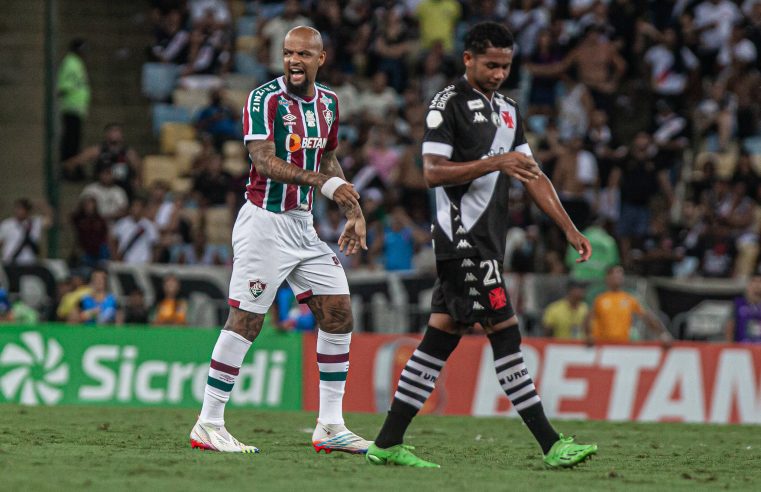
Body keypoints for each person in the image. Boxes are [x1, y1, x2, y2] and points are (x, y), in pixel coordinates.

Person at [365, 22, 597, 469]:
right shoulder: (446, 104)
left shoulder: (509, 109)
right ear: (468, 58)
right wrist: (497, 161)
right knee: (505, 331)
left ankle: (387, 441)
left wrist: (568, 228)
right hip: (463, 241)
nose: (499, 73)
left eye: (506, 66)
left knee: (440, 338)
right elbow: (432, 171)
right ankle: (551, 444)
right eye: (491, 64)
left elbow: (532, 173)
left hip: (487, 243)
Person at [189, 26, 370, 455]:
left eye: (303, 54)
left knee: (339, 312)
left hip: (303, 227)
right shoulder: (264, 99)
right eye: (288, 53)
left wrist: (354, 211)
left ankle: (330, 425)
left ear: (320, 59)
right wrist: (327, 187)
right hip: (263, 224)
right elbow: (264, 161)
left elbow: (327, 156)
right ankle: (208, 423)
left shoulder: (329, 103)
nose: (293, 61)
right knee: (247, 321)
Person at [584, 265, 673, 345]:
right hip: (602, 344)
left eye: (620, 273)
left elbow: (648, 317)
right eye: (613, 274)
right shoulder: (599, 297)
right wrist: (588, 335)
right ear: (607, 277)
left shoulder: (630, 297)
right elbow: (588, 318)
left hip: (623, 344)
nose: (617, 276)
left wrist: (662, 334)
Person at [58, 38, 91, 168]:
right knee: (71, 140)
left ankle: (71, 166)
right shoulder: (71, 63)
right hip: (72, 105)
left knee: (74, 139)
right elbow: (64, 85)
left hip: (76, 106)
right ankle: (68, 166)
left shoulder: (75, 62)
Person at [0, 199, 52, 265]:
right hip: (10, 262)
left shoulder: (35, 222)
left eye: (22, 209)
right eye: (17, 208)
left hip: (30, 262)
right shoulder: (6, 224)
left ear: (28, 210)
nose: (19, 211)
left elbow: (49, 221)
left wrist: (43, 206)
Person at [725, 274, 761, 343]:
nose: (757, 286)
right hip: (742, 346)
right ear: (748, 286)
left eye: (760, 282)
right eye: (754, 282)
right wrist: (730, 345)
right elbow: (730, 327)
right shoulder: (738, 304)